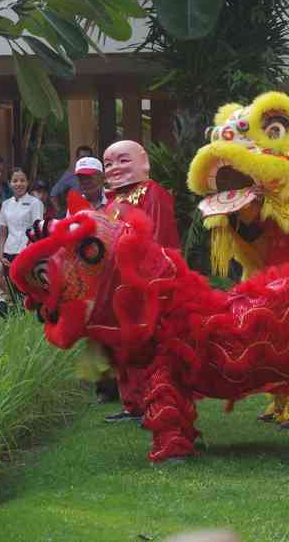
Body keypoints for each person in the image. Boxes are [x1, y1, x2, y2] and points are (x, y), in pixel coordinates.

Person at [102, 140, 180, 422]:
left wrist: (150, 276)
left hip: (145, 282)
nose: (114, 168)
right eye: (108, 163)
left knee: (150, 343)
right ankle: (132, 403)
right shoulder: (111, 202)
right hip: (117, 285)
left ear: (143, 161)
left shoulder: (153, 192)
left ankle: (155, 400)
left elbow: (159, 237)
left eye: (123, 160)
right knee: (123, 344)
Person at [0, 168, 45, 297]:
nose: (18, 184)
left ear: (28, 182)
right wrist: (1, 254)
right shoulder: (6, 204)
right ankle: (16, 301)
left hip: (25, 250)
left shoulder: (35, 203)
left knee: (26, 283)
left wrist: (33, 252)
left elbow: (37, 229)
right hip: (9, 250)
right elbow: (3, 231)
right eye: (15, 181)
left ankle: (25, 307)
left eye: (22, 180)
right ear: (10, 183)